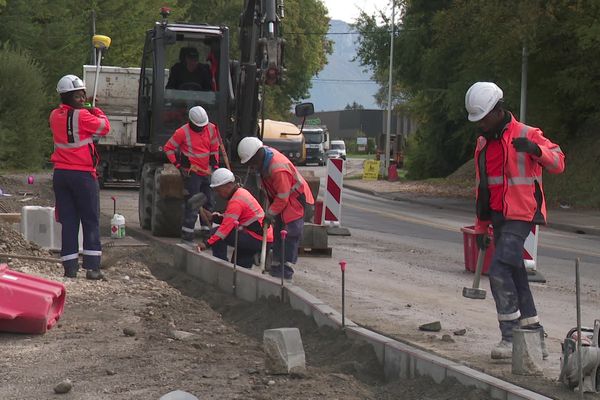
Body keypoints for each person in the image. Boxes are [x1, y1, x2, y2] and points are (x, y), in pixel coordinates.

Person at [464, 81, 565, 359]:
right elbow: (483, 186)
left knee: (498, 270)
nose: (481, 124)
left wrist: (535, 150)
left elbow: (558, 162)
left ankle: (509, 337)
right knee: (515, 273)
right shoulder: (483, 143)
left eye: (483, 118)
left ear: (498, 111)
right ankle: (535, 339)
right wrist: (482, 225)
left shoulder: (527, 133)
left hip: (522, 214)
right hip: (498, 216)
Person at [50, 74, 111, 280]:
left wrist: (86, 108)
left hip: (61, 174)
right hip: (83, 175)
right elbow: (105, 127)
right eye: (78, 96)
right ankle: (92, 268)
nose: (82, 98)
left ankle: (70, 268)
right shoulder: (83, 116)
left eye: (83, 95)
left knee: (68, 221)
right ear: (66, 97)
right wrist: (96, 110)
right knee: (90, 219)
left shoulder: (54, 115)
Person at [237, 137, 314, 279]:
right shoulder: (264, 162)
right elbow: (270, 192)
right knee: (279, 233)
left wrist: (270, 213)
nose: (251, 167)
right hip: (284, 202)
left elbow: (283, 197)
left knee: (289, 234)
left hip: (297, 202)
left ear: (256, 156)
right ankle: (276, 267)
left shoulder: (277, 168)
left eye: (251, 163)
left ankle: (285, 272)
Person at [164, 106, 220, 244]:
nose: (201, 128)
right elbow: (168, 148)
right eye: (198, 126)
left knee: (209, 204)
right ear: (191, 123)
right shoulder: (182, 132)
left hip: (207, 172)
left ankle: (207, 235)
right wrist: (178, 165)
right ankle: (187, 236)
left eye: (203, 126)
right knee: (193, 205)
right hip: (192, 173)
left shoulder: (211, 128)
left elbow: (214, 148)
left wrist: (216, 167)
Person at [197, 168, 273, 267]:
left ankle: (221, 265)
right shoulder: (240, 193)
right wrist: (213, 217)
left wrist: (206, 243)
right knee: (239, 266)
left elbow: (224, 230)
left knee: (215, 234)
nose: (218, 194)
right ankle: (249, 257)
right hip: (261, 236)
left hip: (258, 238)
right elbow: (230, 218)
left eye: (219, 190)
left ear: (227, 186)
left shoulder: (236, 201)